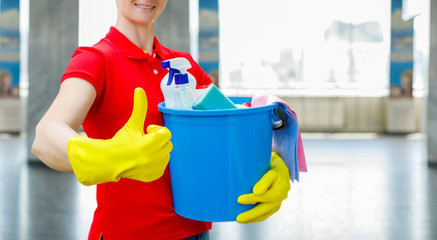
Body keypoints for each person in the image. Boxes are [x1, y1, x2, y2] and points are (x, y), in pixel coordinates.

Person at [32, 1, 291, 239]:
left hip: (195, 232)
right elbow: (46, 135)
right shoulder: (96, 60)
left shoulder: (185, 65)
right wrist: (107, 156)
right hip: (126, 234)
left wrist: (271, 164)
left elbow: (225, 135)